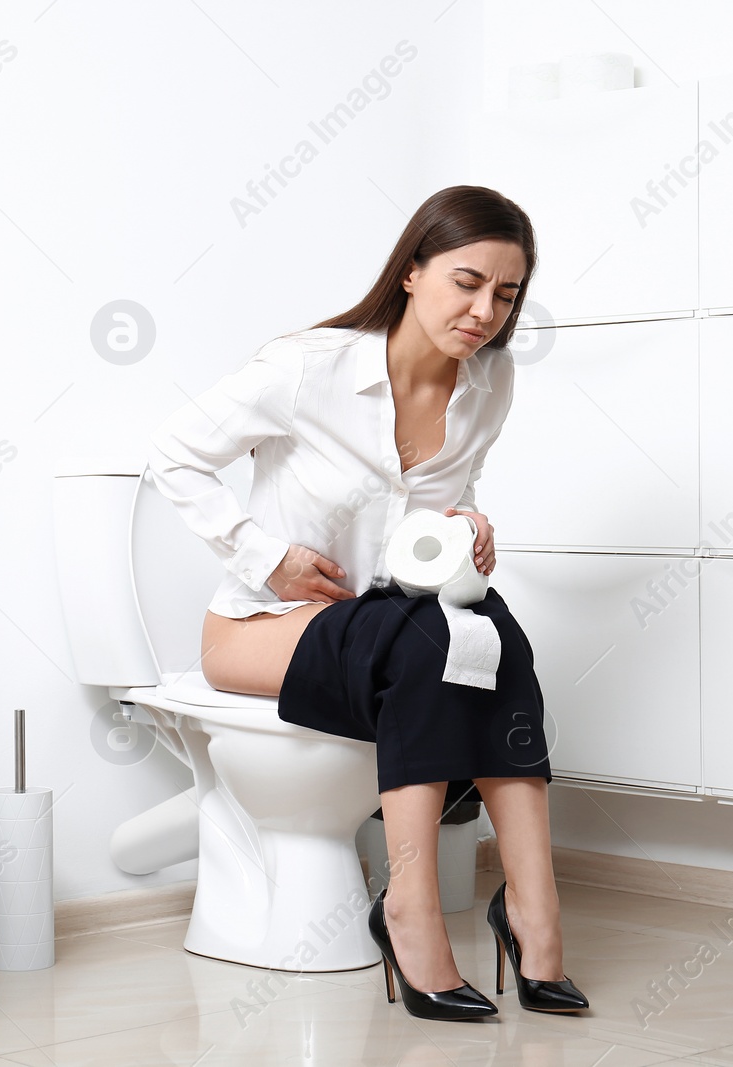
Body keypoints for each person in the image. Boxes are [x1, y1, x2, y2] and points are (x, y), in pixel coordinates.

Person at [144, 185, 587, 1021]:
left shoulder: (490, 383)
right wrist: (265, 557)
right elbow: (172, 453)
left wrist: (467, 526)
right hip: (258, 629)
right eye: (466, 281)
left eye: (507, 293)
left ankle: (534, 910)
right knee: (424, 639)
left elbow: (438, 513)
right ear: (412, 273)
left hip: (390, 623)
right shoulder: (307, 368)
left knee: (497, 636)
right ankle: (410, 907)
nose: (485, 309)